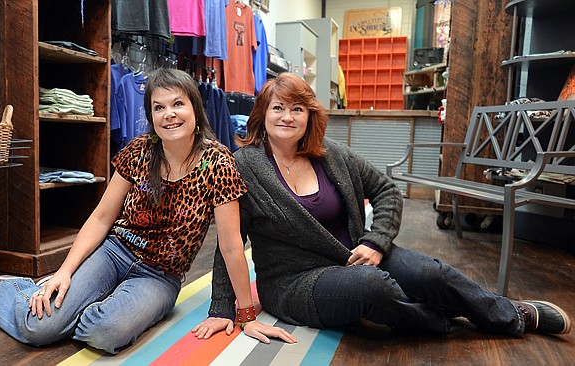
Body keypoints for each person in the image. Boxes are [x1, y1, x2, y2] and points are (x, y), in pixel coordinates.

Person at [196, 73, 570, 342]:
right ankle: (445, 319)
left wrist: (376, 241)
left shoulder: (333, 155)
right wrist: (223, 308)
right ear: (262, 114)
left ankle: (510, 315)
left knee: (432, 274)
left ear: (310, 116)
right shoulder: (244, 165)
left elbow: (387, 190)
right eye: (278, 108)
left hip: (358, 253)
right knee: (372, 288)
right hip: (296, 282)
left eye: (297, 108)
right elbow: (228, 242)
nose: (287, 117)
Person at [0, 68, 293, 354]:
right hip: (114, 252)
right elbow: (102, 217)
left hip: (159, 275)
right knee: (37, 329)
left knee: (105, 334)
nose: (169, 114)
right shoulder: (138, 151)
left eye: (178, 104)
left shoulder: (218, 163)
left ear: (196, 110)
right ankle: (1, 289)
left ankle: (70, 310)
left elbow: (232, 245)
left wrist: (246, 314)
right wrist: (65, 271)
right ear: (151, 116)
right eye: (159, 107)